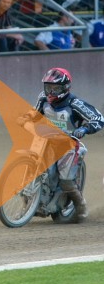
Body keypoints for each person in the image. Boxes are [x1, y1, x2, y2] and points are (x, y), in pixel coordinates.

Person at [18, 68, 103, 221]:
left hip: (68, 144)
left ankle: (80, 205)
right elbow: (35, 113)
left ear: (65, 88)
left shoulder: (75, 103)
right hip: (46, 141)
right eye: (47, 87)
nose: (50, 92)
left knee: (66, 181)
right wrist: (25, 118)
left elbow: (99, 118)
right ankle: (26, 206)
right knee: (33, 167)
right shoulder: (43, 98)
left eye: (55, 88)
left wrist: (84, 128)